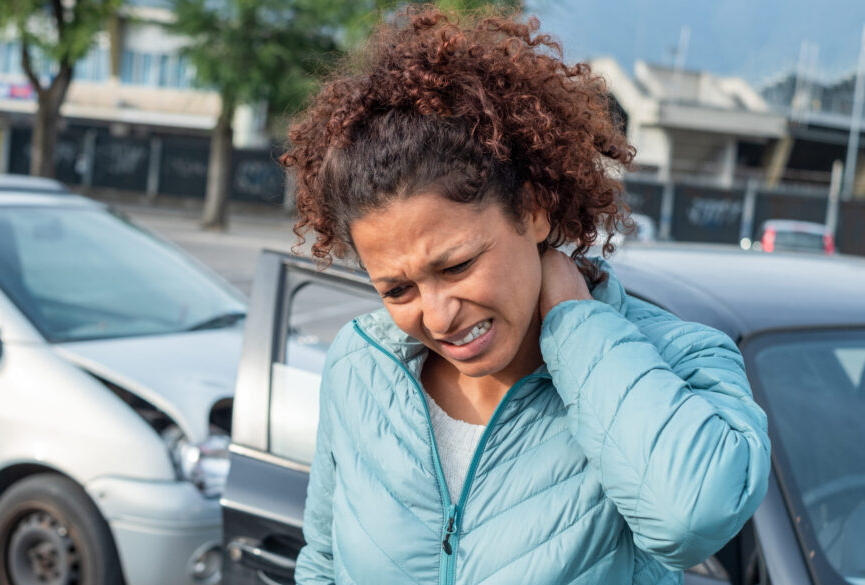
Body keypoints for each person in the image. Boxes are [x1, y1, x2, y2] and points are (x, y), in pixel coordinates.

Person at [280, 7, 771, 585]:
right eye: (398, 288)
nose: (437, 316)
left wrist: (574, 322)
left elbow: (693, 518)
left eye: (458, 265)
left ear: (534, 210)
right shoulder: (361, 365)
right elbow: (323, 563)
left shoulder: (681, 358)